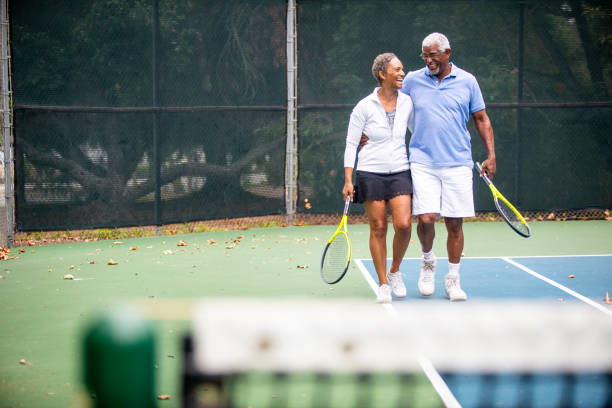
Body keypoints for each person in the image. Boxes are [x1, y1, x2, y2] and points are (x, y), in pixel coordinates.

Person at [361, 33, 496, 301]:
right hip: (421, 161)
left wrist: (491, 155)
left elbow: (481, 118)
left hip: (458, 161)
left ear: (447, 53)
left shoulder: (467, 81)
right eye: (425, 55)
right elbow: (386, 96)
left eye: (433, 55)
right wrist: (366, 127)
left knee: (455, 224)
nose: (429, 60)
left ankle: (453, 280)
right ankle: (427, 260)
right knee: (425, 219)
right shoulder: (412, 80)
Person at [343, 53, 415, 304]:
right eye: (397, 69)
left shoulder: (408, 102)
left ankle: (395, 270)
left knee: (404, 225)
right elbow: (351, 143)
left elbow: (418, 131)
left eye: (402, 69)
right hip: (370, 172)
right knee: (379, 227)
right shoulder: (363, 107)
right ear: (382, 74)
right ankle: (383, 282)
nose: (402, 73)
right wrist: (348, 180)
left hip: (400, 170)